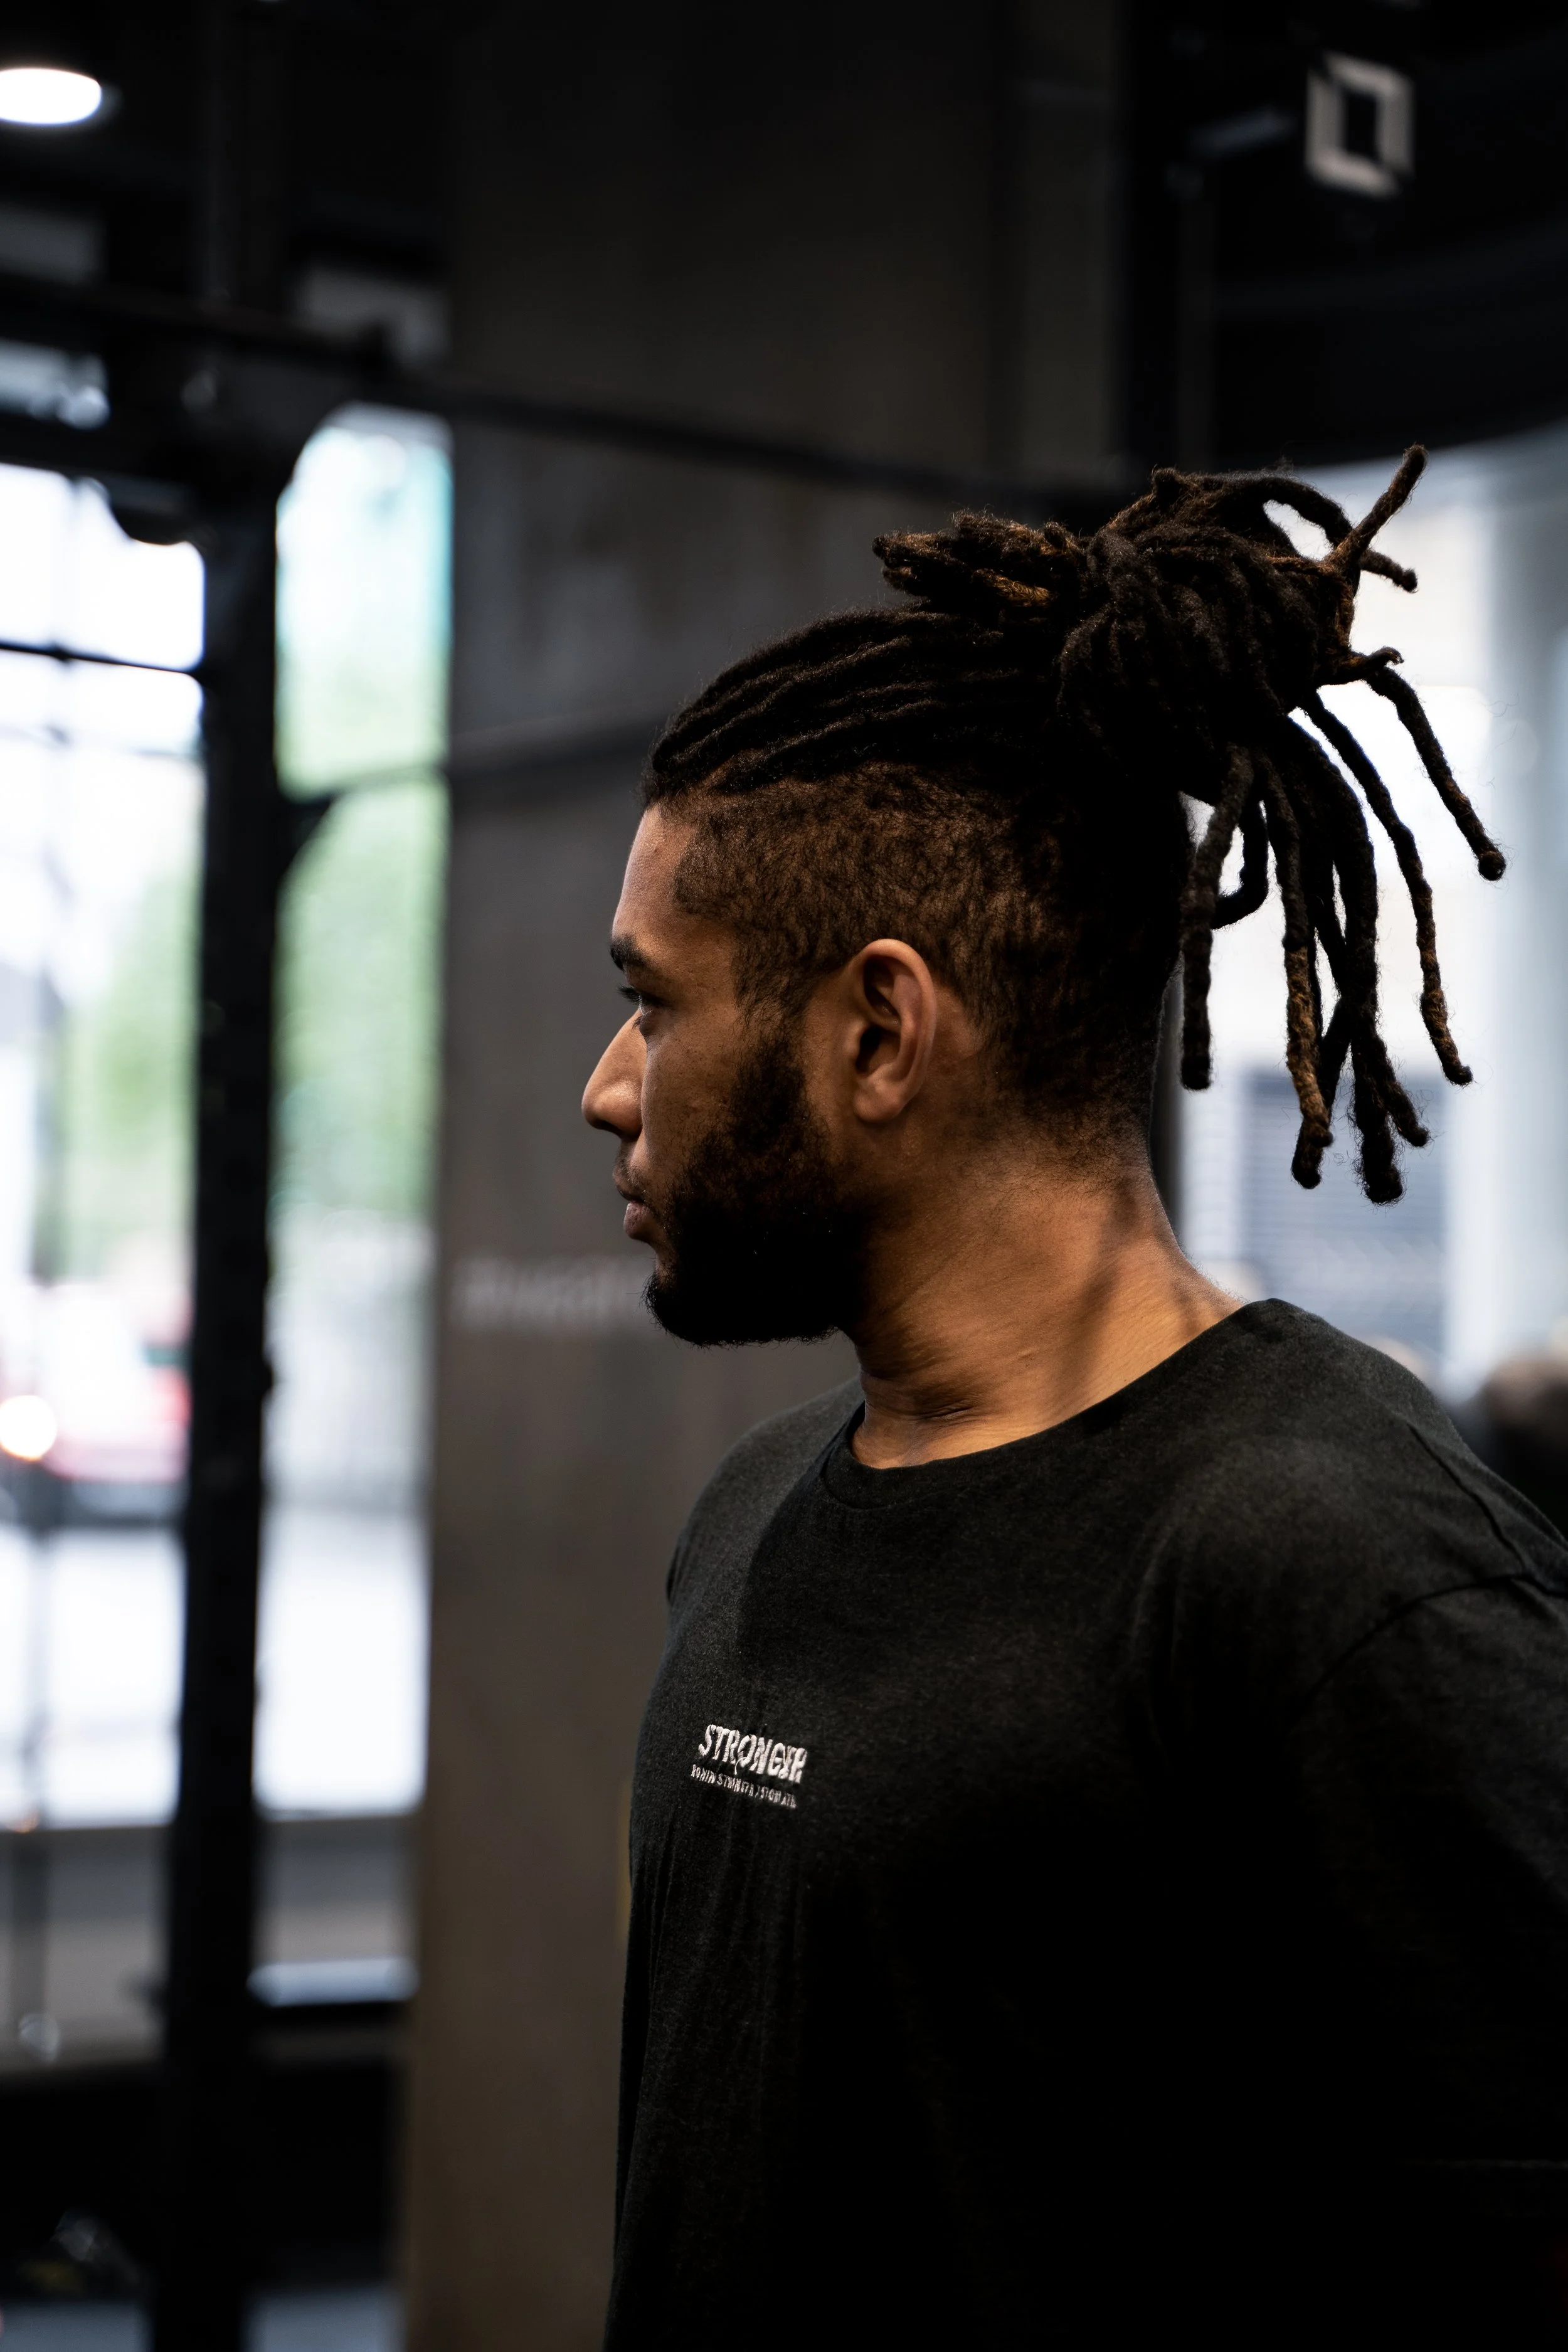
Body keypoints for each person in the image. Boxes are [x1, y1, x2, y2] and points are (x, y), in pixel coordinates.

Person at [582, 452, 1568, 2346]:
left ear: (879, 1030)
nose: (609, 1086)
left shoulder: (1332, 1564)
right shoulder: (760, 1505)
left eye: (655, 1000)